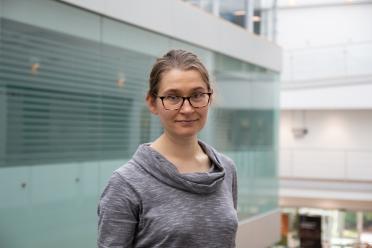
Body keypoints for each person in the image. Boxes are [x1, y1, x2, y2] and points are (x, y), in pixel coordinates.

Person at [97, 49, 238, 248]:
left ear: (209, 98)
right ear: (152, 103)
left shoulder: (226, 169)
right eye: (173, 97)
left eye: (197, 95)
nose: (187, 109)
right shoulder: (126, 183)